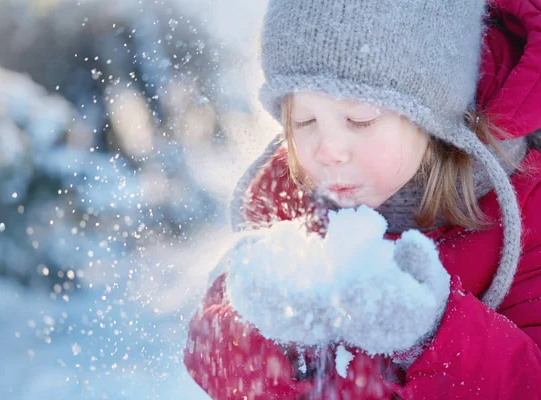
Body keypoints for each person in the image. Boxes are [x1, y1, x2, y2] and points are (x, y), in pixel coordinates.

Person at [183, 0, 541, 398]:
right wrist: (273, 338)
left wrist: (432, 334)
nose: (328, 149)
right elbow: (210, 348)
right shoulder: (290, 200)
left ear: (434, 117)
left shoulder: (528, 215)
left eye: (360, 120)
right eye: (304, 121)